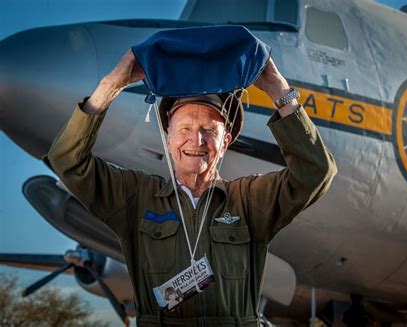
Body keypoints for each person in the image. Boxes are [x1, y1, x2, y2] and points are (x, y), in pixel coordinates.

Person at [48, 48, 337, 326]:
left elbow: (316, 172)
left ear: (225, 142)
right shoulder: (136, 198)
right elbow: (66, 161)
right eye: (184, 129)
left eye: (209, 131)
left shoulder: (250, 202)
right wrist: (109, 87)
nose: (196, 141)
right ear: (168, 136)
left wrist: (278, 90)